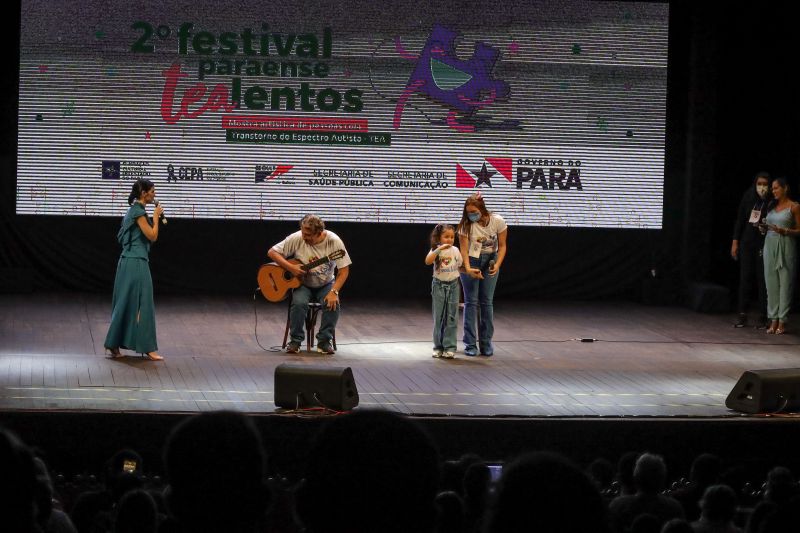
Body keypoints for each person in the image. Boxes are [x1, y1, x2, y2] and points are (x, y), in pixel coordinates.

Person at [268, 214, 351, 354]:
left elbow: (344, 271)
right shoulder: (297, 237)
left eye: (308, 235)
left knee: (332, 304)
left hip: (325, 283)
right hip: (302, 284)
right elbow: (272, 252)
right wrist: (291, 267)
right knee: (299, 303)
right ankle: (295, 341)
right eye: (302, 233)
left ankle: (324, 342)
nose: (304, 237)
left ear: (319, 233)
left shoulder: (334, 242)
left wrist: (334, 292)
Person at [104, 178, 164, 360]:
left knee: (126, 302)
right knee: (143, 303)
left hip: (130, 261)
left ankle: (114, 345)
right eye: (152, 191)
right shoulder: (138, 212)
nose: (154, 195)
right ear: (144, 193)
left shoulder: (135, 211)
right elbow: (152, 236)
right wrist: (156, 217)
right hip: (135, 262)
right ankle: (147, 348)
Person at [457, 193, 507, 356]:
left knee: (486, 302)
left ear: (482, 209)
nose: (471, 215)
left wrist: (497, 265)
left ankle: (486, 343)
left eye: (473, 211)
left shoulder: (497, 221)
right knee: (471, 302)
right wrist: (468, 268)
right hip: (471, 260)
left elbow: (502, 246)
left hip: (491, 260)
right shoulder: (465, 225)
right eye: (468, 212)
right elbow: (463, 250)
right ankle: (470, 345)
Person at [730, 171, 771, 327]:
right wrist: (735, 242)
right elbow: (740, 219)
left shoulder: (771, 200)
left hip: (764, 243)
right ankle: (742, 314)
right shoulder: (748, 197)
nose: (762, 187)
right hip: (747, 242)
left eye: (765, 184)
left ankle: (763, 315)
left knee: (762, 279)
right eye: (759, 184)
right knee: (745, 278)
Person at [761, 177, 800, 334]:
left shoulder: (794, 206)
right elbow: (767, 227)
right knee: (771, 285)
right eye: (773, 188)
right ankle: (773, 319)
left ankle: (782, 321)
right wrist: (763, 228)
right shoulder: (771, 206)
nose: (773, 191)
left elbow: (799, 230)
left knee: (785, 284)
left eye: (776, 188)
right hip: (769, 245)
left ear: (785, 188)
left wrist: (786, 231)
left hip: (785, 246)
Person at [425, 224, 463, 359]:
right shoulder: (436, 250)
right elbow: (428, 261)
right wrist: (438, 249)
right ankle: (438, 347)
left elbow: (460, 265)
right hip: (439, 285)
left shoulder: (456, 250)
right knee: (438, 317)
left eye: (452, 237)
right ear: (439, 237)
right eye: (446, 237)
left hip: (453, 285)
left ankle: (450, 346)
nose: (450, 239)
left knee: (452, 317)